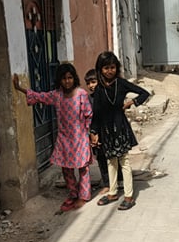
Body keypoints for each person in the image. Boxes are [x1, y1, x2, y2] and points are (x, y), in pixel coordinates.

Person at [13, 64, 92, 212]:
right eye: (64, 78)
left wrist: (91, 135)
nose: (67, 81)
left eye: (69, 78)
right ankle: (73, 193)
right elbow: (39, 96)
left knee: (83, 168)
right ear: (59, 80)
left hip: (80, 137)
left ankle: (84, 195)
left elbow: (88, 115)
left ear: (74, 78)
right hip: (64, 139)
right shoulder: (57, 95)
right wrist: (19, 88)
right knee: (66, 169)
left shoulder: (81, 94)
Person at [90, 52, 150, 211]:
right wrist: (94, 132)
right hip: (105, 130)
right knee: (111, 161)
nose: (109, 71)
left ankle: (129, 196)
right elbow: (96, 112)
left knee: (124, 161)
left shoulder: (121, 83)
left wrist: (131, 102)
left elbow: (144, 93)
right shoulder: (98, 89)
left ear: (116, 68)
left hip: (120, 128)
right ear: (100, 69)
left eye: (112, 67)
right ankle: (112, 192)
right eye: (106, 68)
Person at [84, 68, 122, 195]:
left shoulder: (107, 94)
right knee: (101, 158)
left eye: (93, 82)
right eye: (88, 83)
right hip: (96, 133)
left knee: (115, 155)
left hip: (109, 131)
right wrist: (92, 134)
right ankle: (107, 183)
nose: (91, 86)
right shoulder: (89, 99)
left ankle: (119, 179)